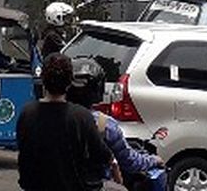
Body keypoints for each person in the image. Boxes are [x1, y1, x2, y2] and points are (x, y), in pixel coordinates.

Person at [17, 52, 114, 191]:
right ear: (69, 82)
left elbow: (24, 155)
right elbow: (103, 156)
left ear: (43, 80)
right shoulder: (82, 117)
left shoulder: (27, 113)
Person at [67, 57, 164, 191]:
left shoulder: (48, 118)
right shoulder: (103, 125)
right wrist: (153, 160)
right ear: (98, 89)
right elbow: (130, 161)